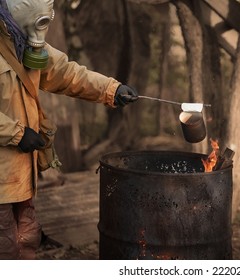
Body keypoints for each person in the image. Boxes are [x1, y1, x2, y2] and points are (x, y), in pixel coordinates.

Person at [0, 0, 138, 259]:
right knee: (4, 247)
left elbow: (67, 73)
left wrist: (111, 89)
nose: (40, 33)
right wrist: (16, 133)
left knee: (27, 242)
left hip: (22, 178)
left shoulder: (26, 43)